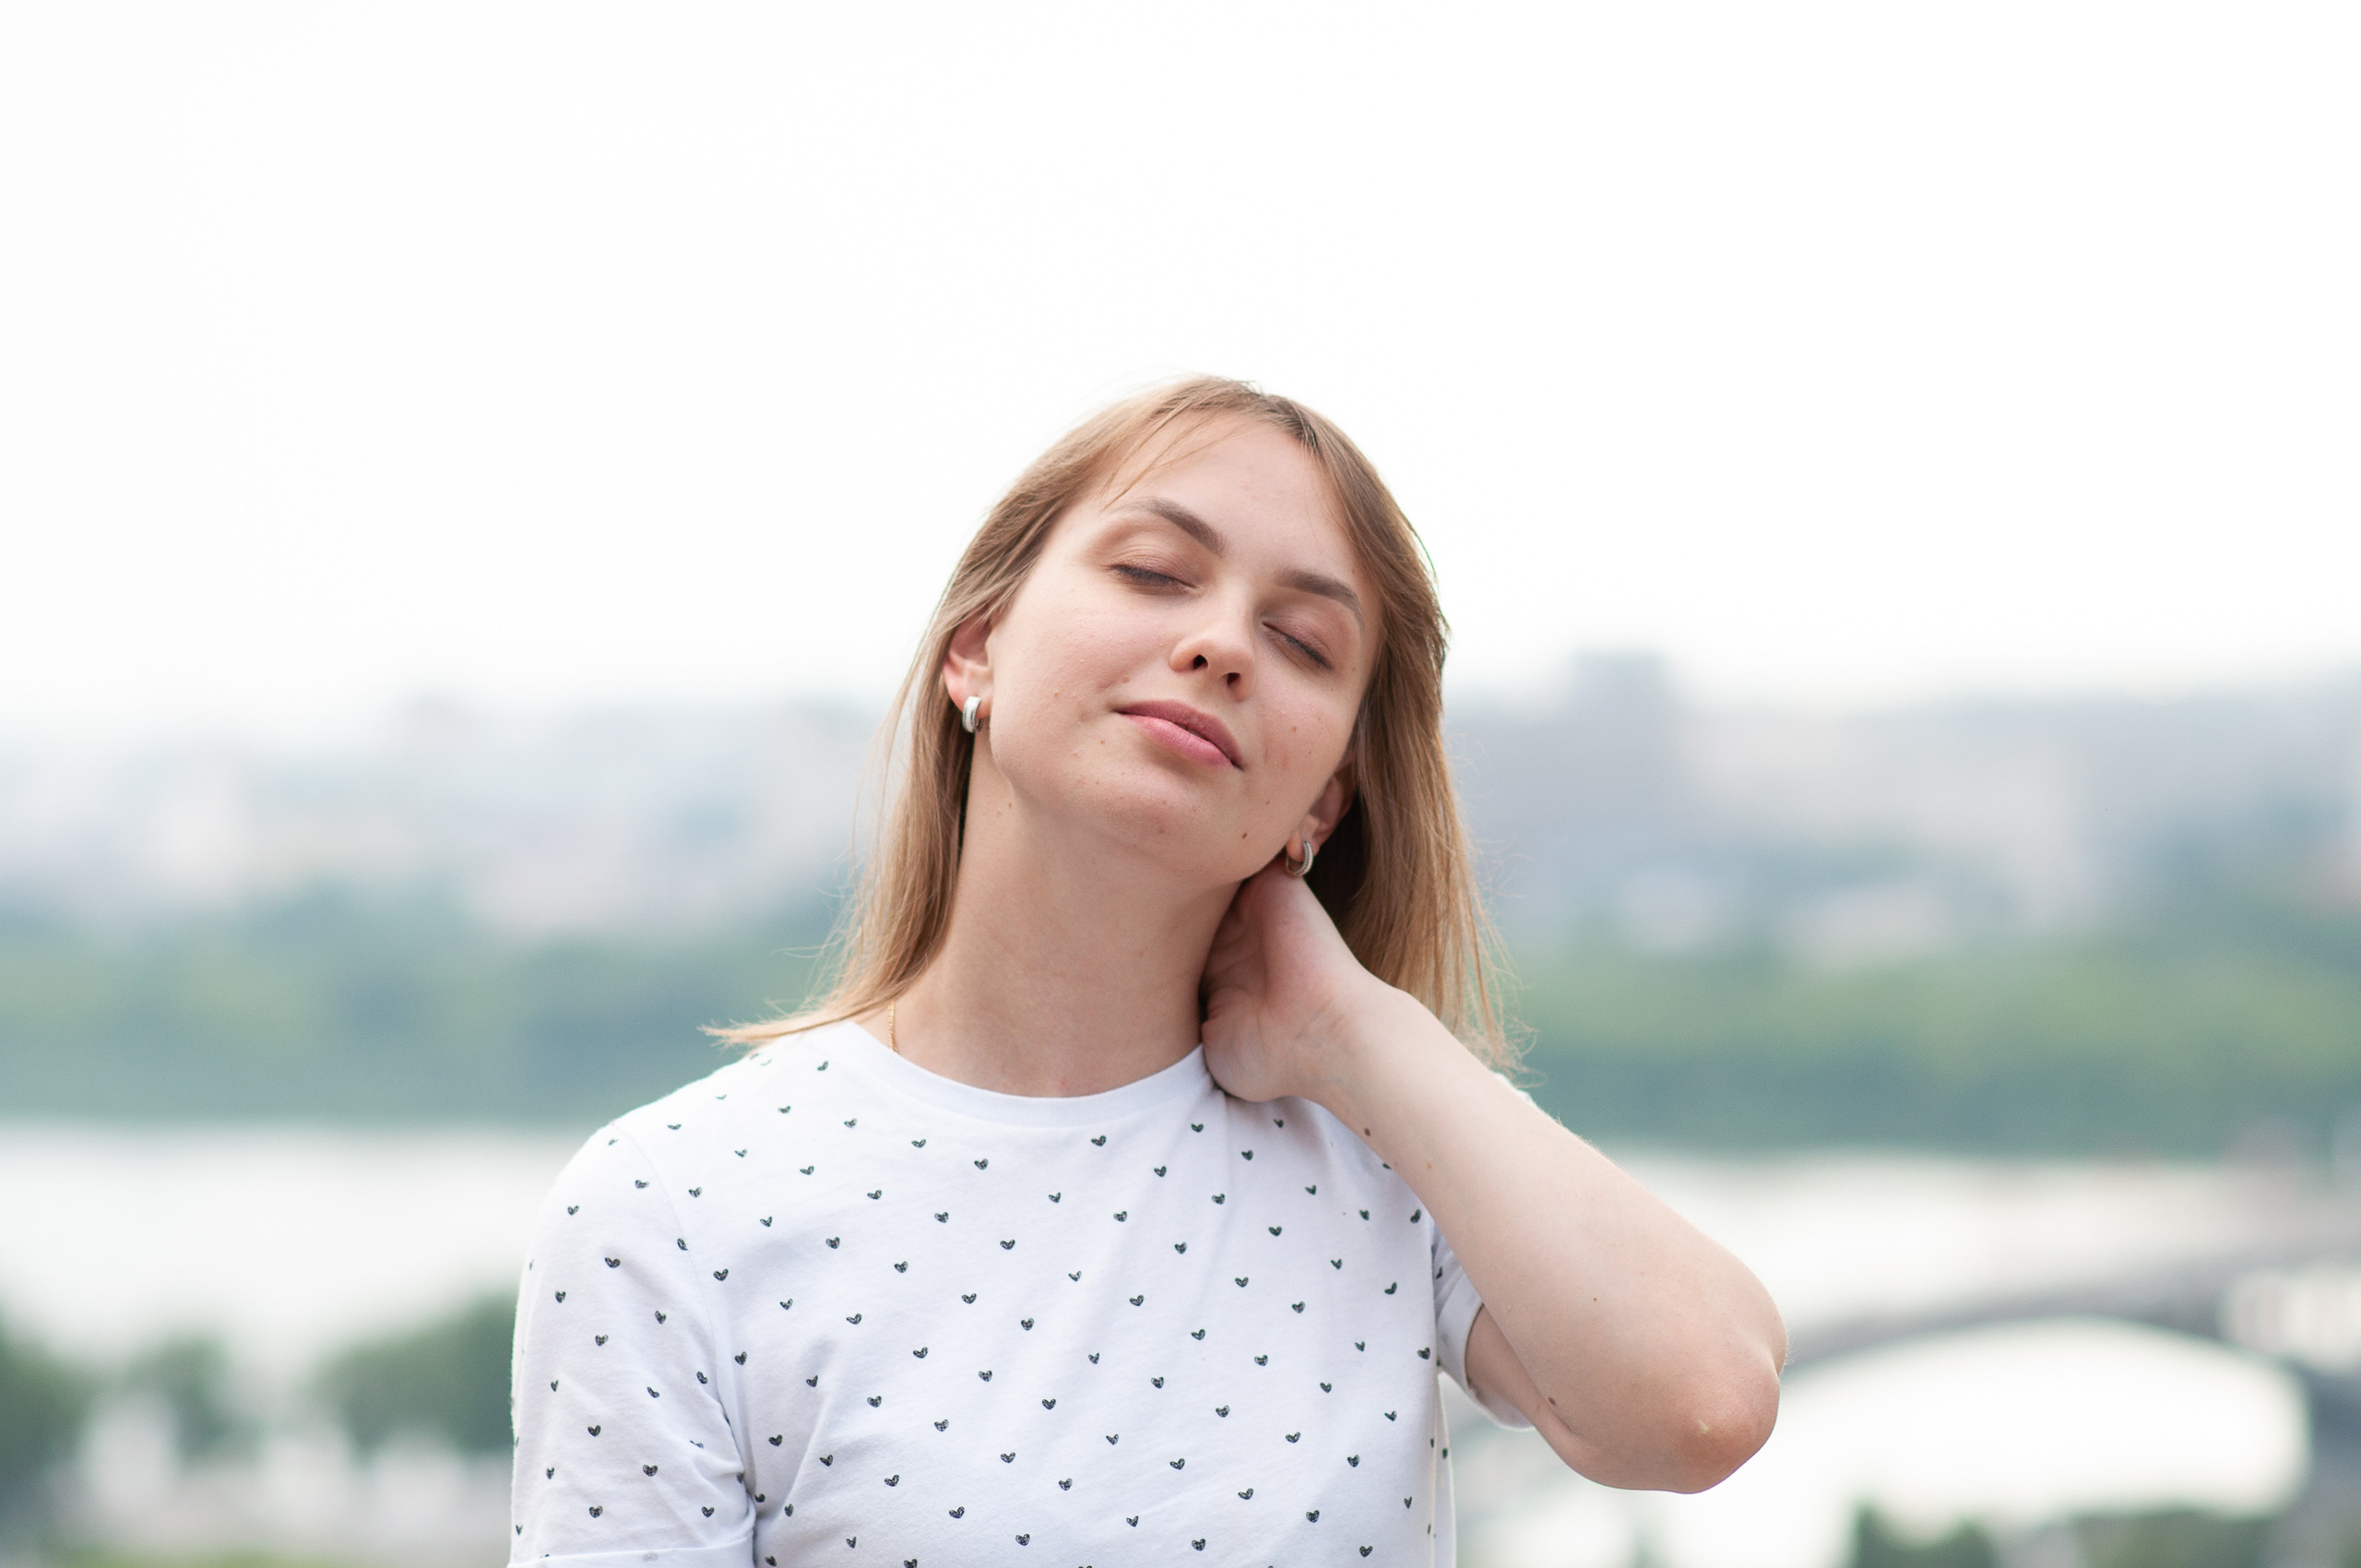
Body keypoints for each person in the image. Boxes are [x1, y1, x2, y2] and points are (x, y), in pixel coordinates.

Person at [506, 377, 1785, 1566]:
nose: (1223, 645)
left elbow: (1705, 1406)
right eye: (1154, 573)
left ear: (1323, 803)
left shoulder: (1385, 1149)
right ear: (976, 649)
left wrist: (1358, 1029)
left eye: (1302, 641)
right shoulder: (671, 1209)